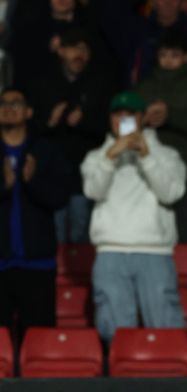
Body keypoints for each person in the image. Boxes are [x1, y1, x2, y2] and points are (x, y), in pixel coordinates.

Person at [81, 91, 186, 343]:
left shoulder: (166, 155)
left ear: (141, 118)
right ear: (110, 119)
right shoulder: (97, 157)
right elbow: (93, 190)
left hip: (154, 251)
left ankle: (173, 382)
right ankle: (117, 383)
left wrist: (146, 156)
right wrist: (110, 156)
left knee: (165, 331)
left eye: (130, 115)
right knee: (115, 335)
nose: (124, 120)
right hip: (110, 250)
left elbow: (171, 193)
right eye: (118, 115)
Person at [26, 27, 117, 244]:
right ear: (60, 51)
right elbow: (29, 128)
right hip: (51, 176)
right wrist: (50, 122)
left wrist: (83, 121)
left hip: (83, 175)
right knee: (52, 236)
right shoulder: (43, 83)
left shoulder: (99, 84)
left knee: (80, 236)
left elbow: (110, 126)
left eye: (84, 49)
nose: (79, 54)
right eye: (73, 48)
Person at [0, 87, 70, 342]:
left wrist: (32, 182)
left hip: (37, 266)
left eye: (16, 103)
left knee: (39, 341)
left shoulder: (45, 150)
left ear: (29, 111)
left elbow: (60, 198)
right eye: (3, 104)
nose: (8, 108)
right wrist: (4, 186)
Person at [136, 29, 187, 245]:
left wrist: (170, 115)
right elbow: (123, 124)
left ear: (186, 56)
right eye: (164, 55)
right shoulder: (146, 86)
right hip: (148, 176)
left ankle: (184, 278)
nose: (168, 61)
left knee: (184, 238)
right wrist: (140, 120)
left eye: (174, 55)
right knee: (149, 236)